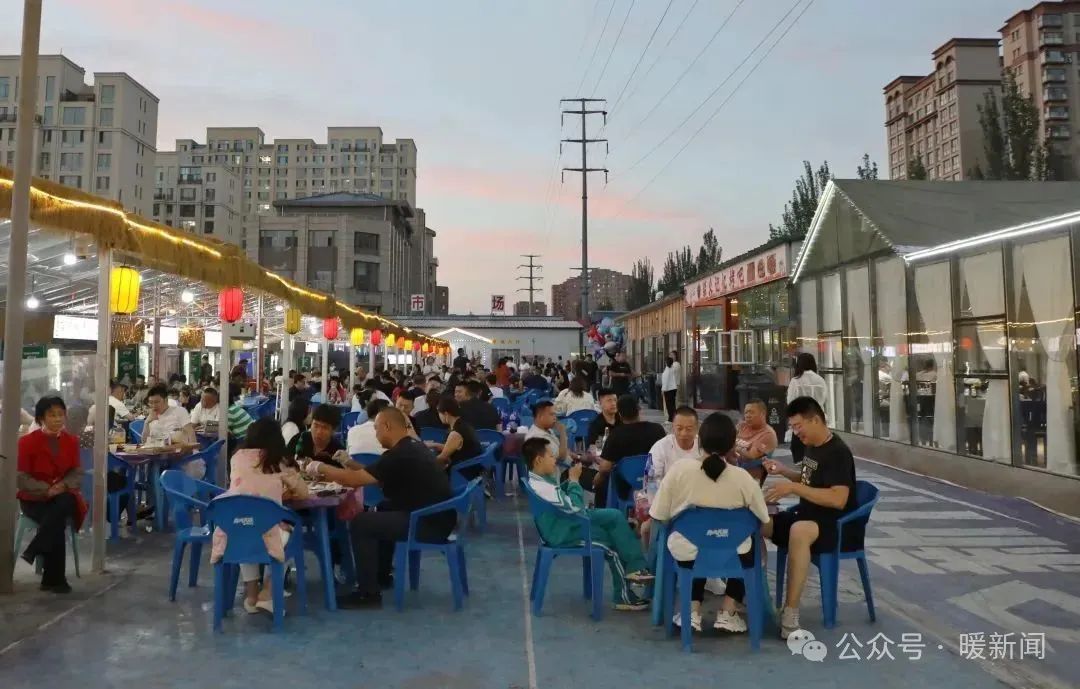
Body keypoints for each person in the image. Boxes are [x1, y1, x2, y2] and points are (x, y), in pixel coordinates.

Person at [305, 407, 456, 608]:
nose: (375, 434)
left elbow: (353, 480)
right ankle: (381, 576)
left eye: (376, 429)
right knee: (383, 508)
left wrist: (319, 467)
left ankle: (368, 594)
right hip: (438, 517)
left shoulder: (400, 454)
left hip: (427, 524)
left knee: (361, 523)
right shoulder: (411, 447)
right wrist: (348, 462)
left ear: (387, 426)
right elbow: (375, 476)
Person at [649, 413, 769, 633]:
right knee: (750, 546)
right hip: (732, 555)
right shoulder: (743, 478)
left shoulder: (679, 471)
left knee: (696, 540)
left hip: (687, 555)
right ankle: (729, 611)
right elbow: (762, 520)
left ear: (700, 441)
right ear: (732, 445)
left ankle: (691, 611)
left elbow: (658, 515)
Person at [762, 396, 858, 640]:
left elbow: (838, 499)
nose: (796, 433)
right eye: (793, 427)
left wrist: (793, 489)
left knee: (799, 531)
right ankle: (747, 594)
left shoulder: (838, 452)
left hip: (831, 523)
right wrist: (784, 472)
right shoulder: (811, 445)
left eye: (798, 426)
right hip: (805, 513)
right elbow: (808, 481)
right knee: (757, 520)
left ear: (815, 420)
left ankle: (790, 614)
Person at [524, 437, 653, 610]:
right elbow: (576, 508)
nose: (555, 459)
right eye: (551, 456)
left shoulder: (539, 480)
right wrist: (574, 481)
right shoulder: (543, 487)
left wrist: (569, 483)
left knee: (614, 516)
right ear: (539, 460)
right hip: (565, 532)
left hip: (564, 524)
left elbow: (561, 500)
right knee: (613, 544)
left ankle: (636, 568)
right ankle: (624, 596)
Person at [212, 417, 309, 614]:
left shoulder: (236, 457)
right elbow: (303, 493)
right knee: (290, 536)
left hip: (232, 528)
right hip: (269, 530)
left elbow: (248, 486)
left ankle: (251, 596)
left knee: (246, 532)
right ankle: (268, 592)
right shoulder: (280, 461)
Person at [16, 396, 86, 593]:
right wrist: (46, 489)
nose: (57, 419)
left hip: (62, 494)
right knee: (57, 516)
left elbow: (77, 473)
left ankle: (35, 549)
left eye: (60, 414)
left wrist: (61, 485)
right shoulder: (27, 442)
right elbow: (21, 478)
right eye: (52, 415)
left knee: (63, 503)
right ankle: (53, 580)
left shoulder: (71, 441)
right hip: (34, 498)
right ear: (41, 418)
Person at [595, 395, 666, 508]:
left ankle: (601, 512)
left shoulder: (615, 435)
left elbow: (604, 468)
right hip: (657, 485)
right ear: (639, 410)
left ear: (620, 414)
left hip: (626, 489)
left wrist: (597, 480)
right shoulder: (658, 430)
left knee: (603, 480)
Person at [786, 353, 829, 464]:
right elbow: (824, 398)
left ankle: (804, 472)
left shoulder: (796, 381)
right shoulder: (820, 380)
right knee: (816, 451)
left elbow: (790, 401)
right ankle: (813, 470)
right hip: (817, 419)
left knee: (800, 454)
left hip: (800, 421)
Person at [427, 398, 484, 480]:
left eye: (439, 413)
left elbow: (442, 458)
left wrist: (423, 463)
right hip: (472, 468)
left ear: (446, 414)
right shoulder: (464, 425)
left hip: (463, 473)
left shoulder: (456, 433)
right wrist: (434, 445)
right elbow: (455, 447)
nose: (438, 416)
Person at [647, 406, 702, 482]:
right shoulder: (661, 447)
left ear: (697, 428)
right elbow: (651, 480)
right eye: (679, 428)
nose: (683, 433)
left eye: (689, 429)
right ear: (673, 427)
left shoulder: (704, 446)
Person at [733, 399, 778, 480]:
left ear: (763, 414)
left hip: (750, 475)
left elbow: (751, 455)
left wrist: (734, 447)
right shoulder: (742, 426)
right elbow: (726, 439)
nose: (748, 415)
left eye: (751, 412)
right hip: (734, 469)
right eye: (746, 412)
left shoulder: (768, 434)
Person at [661, 356, 679, 423]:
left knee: (669, 405)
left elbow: (665, 381)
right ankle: (674, 417)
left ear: (666, 362)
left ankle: (670, 419)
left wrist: (663, 390)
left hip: (668, 389)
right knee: (673, 404)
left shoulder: (667, 370)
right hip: (673, 388)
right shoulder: (672, 369)